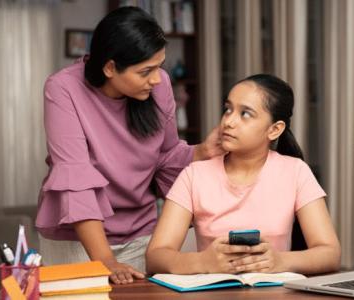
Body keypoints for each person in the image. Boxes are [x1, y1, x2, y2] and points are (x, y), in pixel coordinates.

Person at [35, 6, 224, 285]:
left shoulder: (159, 86)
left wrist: (201, 152)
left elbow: (166, 156)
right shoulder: (63, 89)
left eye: (160, 66)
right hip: (78, 241)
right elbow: (75, 177)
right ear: (110, 67)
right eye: (146, 71)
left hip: (142, 236)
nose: (157, 78)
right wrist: (106, 260)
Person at [146, 74, 341, 275]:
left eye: (245, 114)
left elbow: (330, 253)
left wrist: (280, 261)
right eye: (228, 109)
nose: (229, 121)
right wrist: (203, 262)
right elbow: (155, 257)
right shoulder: (194, 175)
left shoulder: (296, 172)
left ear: (274, 130)